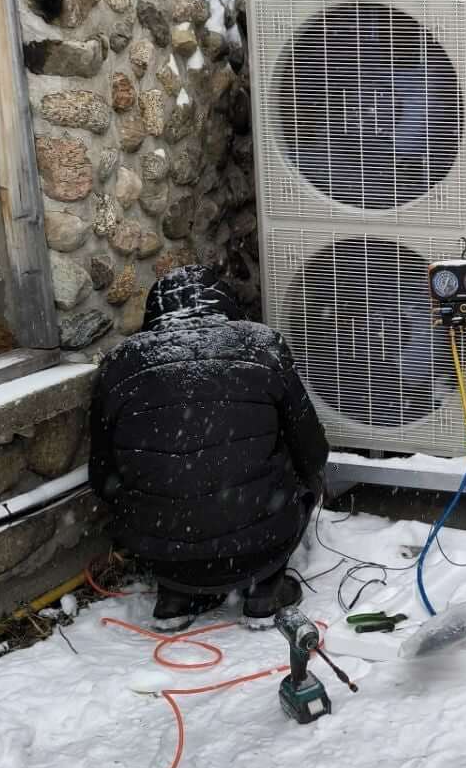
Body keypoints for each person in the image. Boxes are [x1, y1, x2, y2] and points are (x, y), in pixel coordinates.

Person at [88, 264, 329, 632]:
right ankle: (264, 590)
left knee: (177, 497)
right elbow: (313, 451)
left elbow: (102, 476)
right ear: (225, 304)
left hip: (162, 552)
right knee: (302, 472)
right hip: (260, 546)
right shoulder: (261, 345)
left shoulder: (119, 365)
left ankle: (176, 596)